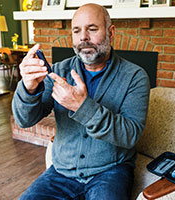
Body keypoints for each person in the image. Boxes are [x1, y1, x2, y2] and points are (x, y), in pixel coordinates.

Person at [12, 3, 150, 200]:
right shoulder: (59, 71)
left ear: (111, 32)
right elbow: (25, 120)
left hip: (110, 171)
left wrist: (82, 107)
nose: (84, 37)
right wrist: (29, 88)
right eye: (77, 31)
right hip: (61, 172)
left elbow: (130, 135)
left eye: (92, 29)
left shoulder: (135, 76)